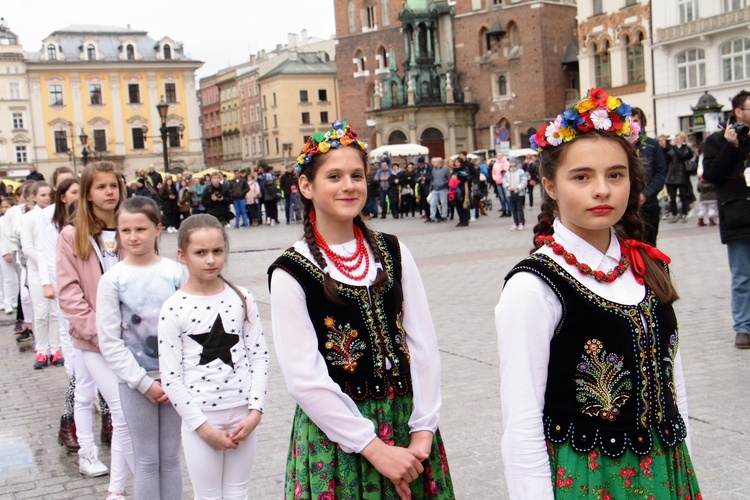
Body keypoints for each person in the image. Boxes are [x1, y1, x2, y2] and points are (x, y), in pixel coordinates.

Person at [497, 88, 701, 498]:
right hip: (590, 478)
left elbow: (672, 380)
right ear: (550, 186)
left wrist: (685, 459)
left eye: (615, 174)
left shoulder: (646, 265)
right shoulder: (534, 286)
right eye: (582, 177)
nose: (602, 190)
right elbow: (521, 420)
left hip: (665, 466)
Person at [269, 120, 454, 499]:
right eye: (334, 176)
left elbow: (423, 344)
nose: (349, 185)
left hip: (407, 423)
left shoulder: (393, 251)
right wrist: (373, 449)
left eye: (357, 175)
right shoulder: (291, 271)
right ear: (307, 186)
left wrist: (423, 431)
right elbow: (304, 378)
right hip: (338, 437)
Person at [159, 214, 268, 499]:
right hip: (201, 416)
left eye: (217, 251)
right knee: (207, 495)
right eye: (201, 253)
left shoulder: (242, 298)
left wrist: (255, 410)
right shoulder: (174, 308)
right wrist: (202, 428)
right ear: (182, 256)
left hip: (242, 412)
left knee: (237, 493)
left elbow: (258, 356)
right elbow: (171, 377)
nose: (210, 260)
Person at [97, 197, 184, 500]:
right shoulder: (112, 280)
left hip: (175, 379)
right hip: (135, 381)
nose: (133, 237)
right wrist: (143, 383)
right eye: (125, 230)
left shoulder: (176, 273)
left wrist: (175, 377)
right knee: (146, 460)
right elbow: (110, 341)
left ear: (158, 229)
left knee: (171, 457)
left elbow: (188, 328)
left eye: (141, 229)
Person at [57, 161, 134, 497]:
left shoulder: (130, 227)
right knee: (118, 410)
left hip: (133, 339)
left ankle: (117, 490)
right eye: (101, 187)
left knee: (126, 417)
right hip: (94, 342)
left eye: (113, 186)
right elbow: (70, 294)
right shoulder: (72, 235)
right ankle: (136, 480)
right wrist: (100, 333)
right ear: (87, 193)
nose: (109, 192)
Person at [703, 89, 750, 349]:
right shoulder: (718, 140)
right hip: (738, 216)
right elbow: (712, 175)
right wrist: (732, 147)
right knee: (743, 275)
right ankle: (743, 327)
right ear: (739, 112)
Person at [20, 181, 60, 369]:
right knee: (41, 313)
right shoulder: (29, 217)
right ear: (33, 197)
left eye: (48, 195)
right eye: (42, 195)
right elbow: (27, 247)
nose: (46, 198)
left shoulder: (55, 214)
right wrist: (45, 263)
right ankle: (42, 350)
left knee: (54, 313)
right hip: (37, 272)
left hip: (55, 270)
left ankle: (56, 349)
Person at [631, 107, 667, 246]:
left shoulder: (652, 144)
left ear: (642, 123)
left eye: (635, 121)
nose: (632, 124)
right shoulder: (622, 145)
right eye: (629, 121)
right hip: (626, 206)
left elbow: (661, 173)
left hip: (649, 204)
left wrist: (645, 195)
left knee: (650, 247)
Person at [665, 131, 694, 224]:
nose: (676, 140)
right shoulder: (672, 149)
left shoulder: (686, 149)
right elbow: (667, 158)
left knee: (683, 196)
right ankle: (674, 215)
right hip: (672, 175)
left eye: (678, 138)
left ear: (682, 138)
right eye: (675, 138)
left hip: (682, 175)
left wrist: (674, 147)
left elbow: (682, 156)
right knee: (672, 198)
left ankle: (684, 213)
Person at [503, 157, 527, 231]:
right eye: (510, 162)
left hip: (519, 193)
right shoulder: (507, 173)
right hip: (510, 193)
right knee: (514, 209)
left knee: (520, 208)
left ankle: (521, 222)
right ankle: (515, 223)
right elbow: (504, 181)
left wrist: (518, 188)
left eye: (513, 162)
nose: (512, 164)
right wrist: (507, 186)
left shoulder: (520, 171)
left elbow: (524, 181)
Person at [448, 156, 470, 227]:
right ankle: (461, 220)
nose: (457, 163)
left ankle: (465, 220)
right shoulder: (454, 170)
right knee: (457, 205)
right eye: (456, 162)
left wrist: (457, 176)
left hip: (462, 189)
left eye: (458, 162)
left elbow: (466, 177)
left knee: (463, 205)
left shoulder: (464, 169)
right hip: (454, 190)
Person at [427, 157, 450, 223]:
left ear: (439, 162)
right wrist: (431, 187)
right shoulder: (433, 169)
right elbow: (432, 179)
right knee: (432, 203)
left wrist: (444, 183)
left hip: (443, 188)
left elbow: (449, 178)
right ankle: (432, 217)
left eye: (434, 162)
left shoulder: (445, 169)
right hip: (435, 188)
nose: (433, 163)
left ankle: (444, 216)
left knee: (443, 203)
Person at [492, 152, 511, 217]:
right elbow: (493, 172)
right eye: (498, 155)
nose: (499, 156)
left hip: (505, 182)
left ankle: (509, 210)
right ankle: (504, 210)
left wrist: (503, 166)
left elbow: (507, 170)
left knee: (507, 197)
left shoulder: (506, 162)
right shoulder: (495, 164)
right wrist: (495, 178)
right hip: (498, 181)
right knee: (502, 197)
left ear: (503, 156)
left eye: (500, 155)